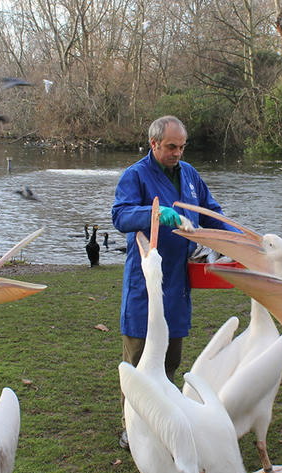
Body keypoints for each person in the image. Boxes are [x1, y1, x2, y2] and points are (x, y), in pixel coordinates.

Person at [111, 115, 237, 450]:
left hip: (178, 281)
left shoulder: (190, 175)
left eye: (181, 147)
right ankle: (130, 427)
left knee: (170, 359)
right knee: (138, 361)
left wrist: (235, 238)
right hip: (146, 283)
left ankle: (160, 421)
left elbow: (209, 213)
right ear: (153, 143)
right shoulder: (135, 176)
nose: (177, 153)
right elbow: (120, 215)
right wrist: (156, 214)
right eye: (170, 146)